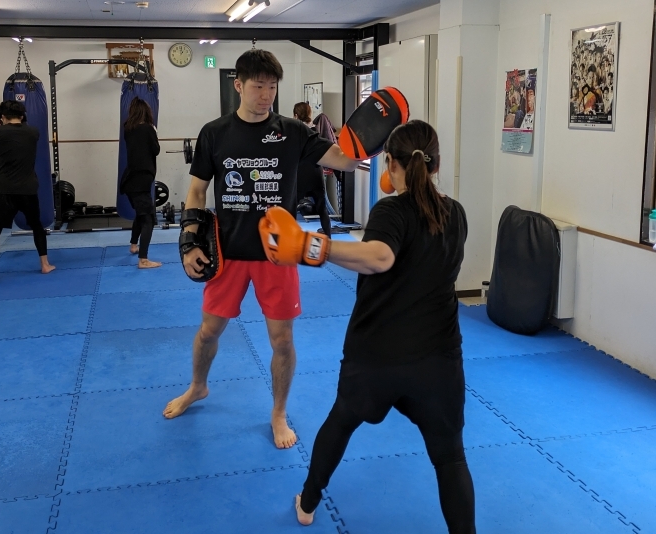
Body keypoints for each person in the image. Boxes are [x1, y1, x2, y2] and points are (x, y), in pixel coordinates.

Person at [162, 49, 359, 449]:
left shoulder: (294, 131)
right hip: (228, 251)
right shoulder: (214, 133)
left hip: (278, 253)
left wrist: (368, 138)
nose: (266, 95)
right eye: (258, 86)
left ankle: (278, 413)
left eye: (272, 87)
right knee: (208, 331)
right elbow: (197, 191)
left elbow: (345, 162)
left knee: (282, 341)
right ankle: (198, 386)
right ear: (239, 85)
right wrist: (189, 242)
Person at [285, 120, 476, 532]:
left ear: (390, 163)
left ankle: (308, 502)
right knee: (450, 458)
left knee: (341, 422)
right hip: (439, 360)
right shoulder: (456, 213)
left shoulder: (390, 210)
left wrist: (311, 246)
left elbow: (380, 257)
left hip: (378, 356)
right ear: (437, 164)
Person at [0, 100, 54, 287]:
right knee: (37, 226)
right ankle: (45, 265)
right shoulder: (33, 132)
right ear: (22, 116)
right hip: (28, 188)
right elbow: (20, 131)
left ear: (2, 117)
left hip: (5, 189)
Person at [121, 97, 161, 268]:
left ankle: (133, 245)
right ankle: (143, 260)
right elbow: (156, 150)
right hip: (141, 181)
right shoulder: (148, 129)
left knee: (141, 214)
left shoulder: (128, 129)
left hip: (129, 180)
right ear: (146, 112)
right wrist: (154, 132)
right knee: (149, 219)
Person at [293, 102, 331, 237]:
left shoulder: (295, 132)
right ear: (310, 113)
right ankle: (329, 240)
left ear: (296, 115)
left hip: (301, 173)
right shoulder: (317, 131)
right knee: (322, 209)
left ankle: (290, 239)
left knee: (291, 209)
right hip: (316, 173)